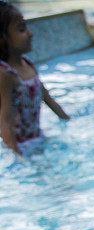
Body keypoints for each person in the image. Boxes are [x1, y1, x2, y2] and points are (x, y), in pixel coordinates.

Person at [0, 1, 69, 154]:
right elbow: (5, 121)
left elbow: (48, 99)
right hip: (19, 146)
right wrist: (16, 155)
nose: (30, 33)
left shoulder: (28, 64)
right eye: (21, 29)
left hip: (37, 137)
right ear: (2, 39)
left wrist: (67, 120)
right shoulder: (6, 74)